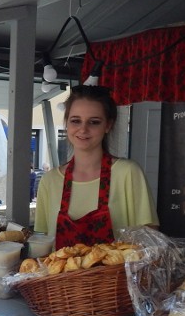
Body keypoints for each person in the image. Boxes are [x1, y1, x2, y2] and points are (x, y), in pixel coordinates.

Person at [34, 85, 158, 249]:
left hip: (116, 275)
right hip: (61, 275)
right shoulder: (50, 181)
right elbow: (41, 243)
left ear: (108, 125)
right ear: (66, 123)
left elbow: (150, 238)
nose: (83, 129)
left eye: (94, 122)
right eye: (75, 120)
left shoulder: (128, 173)